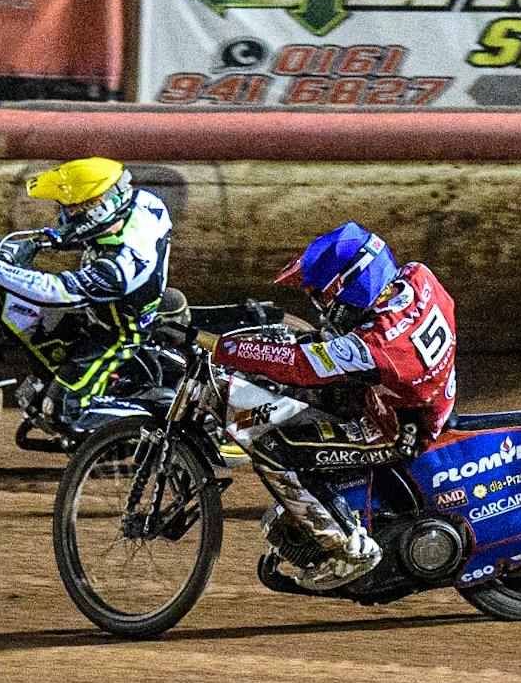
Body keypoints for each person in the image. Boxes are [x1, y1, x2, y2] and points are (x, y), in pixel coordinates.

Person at [192, 222, 457, 591]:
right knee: (297, 388)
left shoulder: (376, 345)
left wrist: (219, 346)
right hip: (404, 395)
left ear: (351, 286)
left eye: (323, 298)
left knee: (274, 450)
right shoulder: (417, 277)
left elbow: (301, 366)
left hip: (394, 429)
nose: (320, 308)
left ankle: (350, 548)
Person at [0, 156, 172, 432]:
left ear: (97, 208)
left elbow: (56, 291)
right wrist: (53, 238)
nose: (64, 214)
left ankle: (160, 426)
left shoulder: (119, 268)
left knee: (60, 411)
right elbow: (96, 230)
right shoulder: (141, 203)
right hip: (106, 312)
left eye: (71, 207)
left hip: (117, 335)